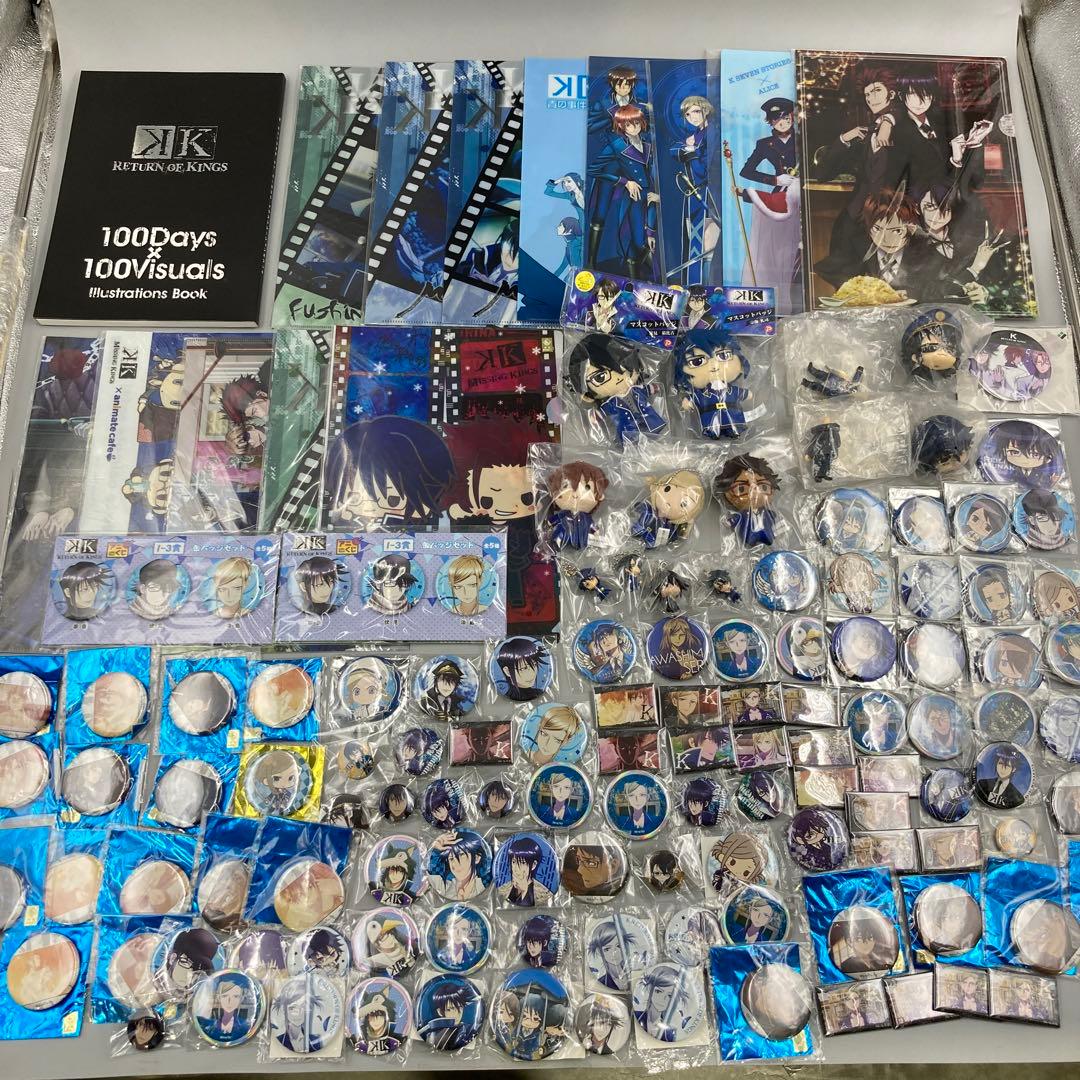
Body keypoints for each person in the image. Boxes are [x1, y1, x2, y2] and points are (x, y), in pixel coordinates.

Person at [325, 415, 455, 530]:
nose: (370, 508)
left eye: (394, 500)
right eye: (354, 497)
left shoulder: (415, 527)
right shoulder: (348, 524)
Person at [498, 835, 553, 907]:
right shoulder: (504, 888)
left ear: (534, 865)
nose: (516, 868)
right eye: (514, 862)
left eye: (523, 863)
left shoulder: (543, 892)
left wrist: (524, 890)